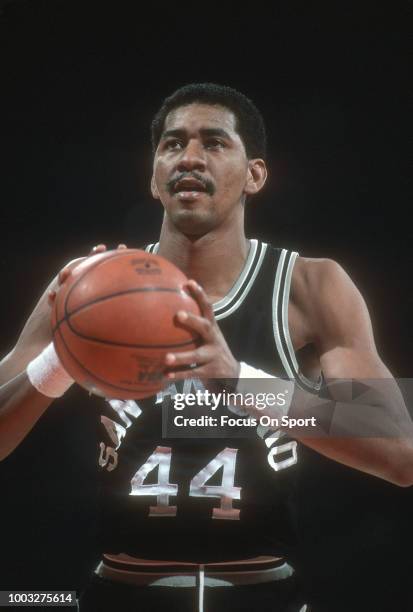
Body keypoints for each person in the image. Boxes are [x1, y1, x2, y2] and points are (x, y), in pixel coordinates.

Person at [0, 83, 412, 612]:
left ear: (255, 174)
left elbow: (400, 453)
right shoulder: (86, 289)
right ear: (153, 177)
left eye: (214, 142)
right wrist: (55, 363)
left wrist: (241, 383)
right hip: (121, 590)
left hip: (263, 591)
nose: (189, 157)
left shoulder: (310, 287)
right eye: (172, 145)